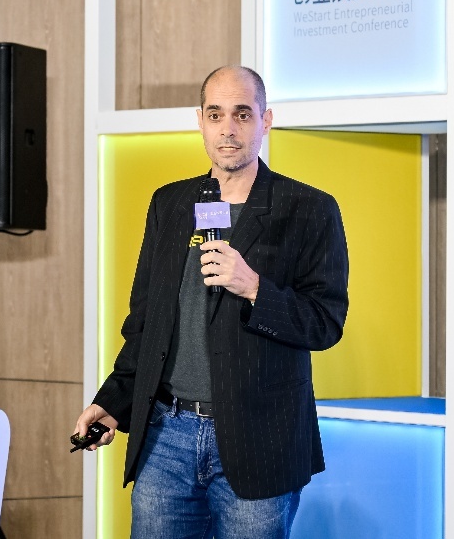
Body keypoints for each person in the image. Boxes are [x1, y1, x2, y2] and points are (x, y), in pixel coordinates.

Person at [74, 65, 349, 538]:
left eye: (242, 114)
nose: (228, 129)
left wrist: (255, 287)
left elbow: (325, 322)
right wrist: (115, 401)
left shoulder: (308, 208)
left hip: (259, 439)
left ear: (265, 120)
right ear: (200, 120)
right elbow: (145, 321)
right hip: (166, 437)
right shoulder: (171, 203)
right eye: (216, 114)